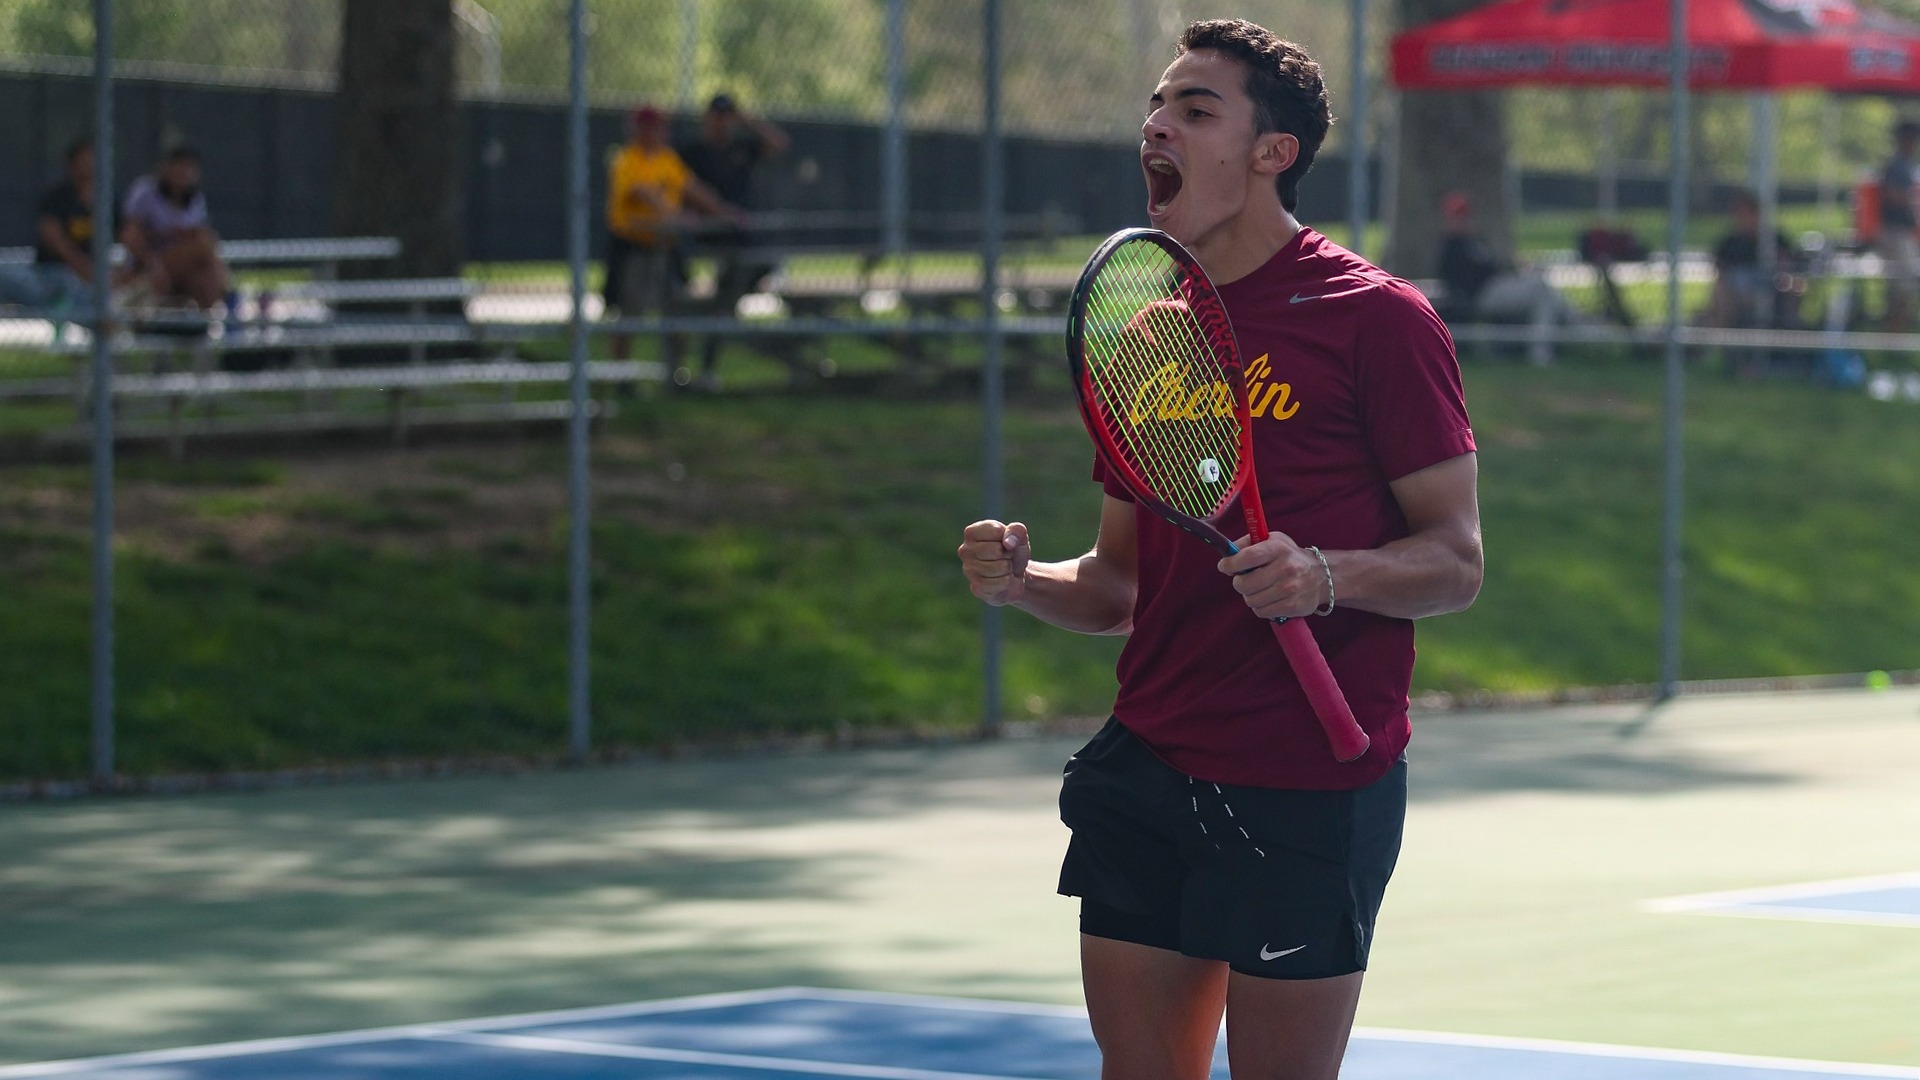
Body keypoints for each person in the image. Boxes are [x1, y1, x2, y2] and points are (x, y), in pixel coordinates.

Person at [956, 19, 1481, 1080]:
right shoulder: (1147, 333)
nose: (1159, 124)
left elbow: (1456, 561)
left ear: (1271, 151)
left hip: (1307, 784)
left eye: (1196, 109)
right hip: (1147, 766)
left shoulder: (1375, 319)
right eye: (1158, 106)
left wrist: (1325, 574)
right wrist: (1023, 582)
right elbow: (1116, 586)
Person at [604, 105, 737, 366]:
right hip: (634, 248)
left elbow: (692, 188)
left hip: (666, 247)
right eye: (653, 127)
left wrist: (722, 211)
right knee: (629, 315)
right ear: (639, 130)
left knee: (677, 309)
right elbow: (643, 191)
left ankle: (675, 374)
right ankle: (618, 375)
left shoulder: (667, 159)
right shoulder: (626, 159)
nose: (660, 132)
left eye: (662, 127)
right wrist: (676, 215)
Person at [676, 93, 790, 389]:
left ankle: (727, 307)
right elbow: (681, 189)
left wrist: (746, 119)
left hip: (743, 237)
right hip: (710, 237)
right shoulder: (694, 152)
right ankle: (722, 319)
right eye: (717, 115)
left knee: (765, 265)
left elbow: (778, 143)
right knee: (723, 297)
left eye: (727, 116)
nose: (722, 122)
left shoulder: (741, 147)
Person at [0, 137, 118, 315]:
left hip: (92, 280)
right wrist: (88, 272)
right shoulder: (56, 199)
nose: (88, 165)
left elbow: (127, 238)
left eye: (92, 159)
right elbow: (57, 243)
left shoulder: (107, 202)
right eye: (83, 160)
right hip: (52, 275)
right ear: (72, 164)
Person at [120, 145, 231, 314]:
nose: (184, 173)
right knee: (203, 245)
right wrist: (153, 264)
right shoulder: (145, 192)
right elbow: (130, 235)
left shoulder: (195, 200)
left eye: (189, 167)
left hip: (184, 269)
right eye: (179, 166)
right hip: (148, 266)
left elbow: (198, 235)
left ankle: (201, 326)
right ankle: (230, 299)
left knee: (204, 277)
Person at [1707, 189, 1795, 329]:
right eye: (1737, 213)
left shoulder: (1773, 239)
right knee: (1721, 292)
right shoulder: (1729, 243)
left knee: (1791, 286)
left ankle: (1790, 332)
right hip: (1737, 291)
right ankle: (1721, 338)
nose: (1740, 218)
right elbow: (1720, 271)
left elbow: (1787, 267)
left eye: (1745, 213)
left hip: (1770, 286)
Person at [1876, 119, 1920, 332]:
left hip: (1904, 232)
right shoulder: (1896, 166)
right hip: (1894, 233)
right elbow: (1892, 195)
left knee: (1905, 286)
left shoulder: (1907, 165)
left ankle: (1898, 335)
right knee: (1900, 286)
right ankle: (1894, 337)